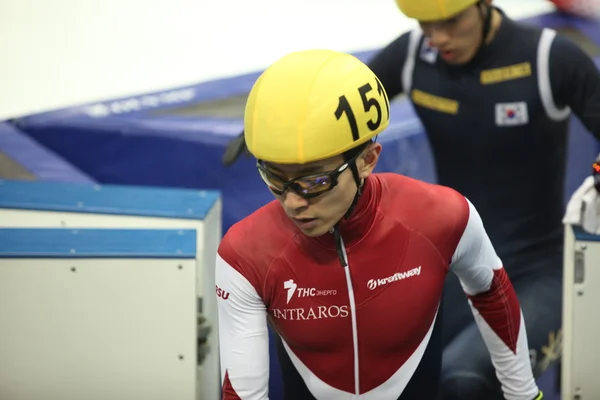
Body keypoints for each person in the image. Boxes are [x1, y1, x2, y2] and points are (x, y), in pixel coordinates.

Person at [215, 48, 543, 399]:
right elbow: (242, 392)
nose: (293, 202)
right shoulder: (245, 252)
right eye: (275, 179)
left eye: (314, 181)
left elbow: (491, 292)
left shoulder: (443, 216)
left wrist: (523, 394)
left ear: (368, 160)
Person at [365, 0, 600, 398]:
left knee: (464, 381)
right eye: (426, 24)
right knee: (381, 370)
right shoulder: (410, 54)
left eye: (452, 21)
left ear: (485, 4)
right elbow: (336, 111)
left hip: (538, 272)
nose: (438, 38)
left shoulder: (548, 57)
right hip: (457, 266)